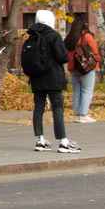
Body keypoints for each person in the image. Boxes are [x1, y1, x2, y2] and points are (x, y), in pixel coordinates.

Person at [24, 9, 79, 154]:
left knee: (39, 108)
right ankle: (63, 141)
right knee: (57, 108)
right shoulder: (53, 36)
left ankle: (40, 140)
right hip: (53, 77)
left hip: (36, 77)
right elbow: (62, 57)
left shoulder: (31, 37)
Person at [65, 17, 101, 124]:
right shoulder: (87, 37)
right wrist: (97, 60)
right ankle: (84, 114)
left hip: (73, 68)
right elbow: (94, 52)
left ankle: (77, 114)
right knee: (87, 90)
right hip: (86, 68)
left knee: (77, 90)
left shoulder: (69, 38)